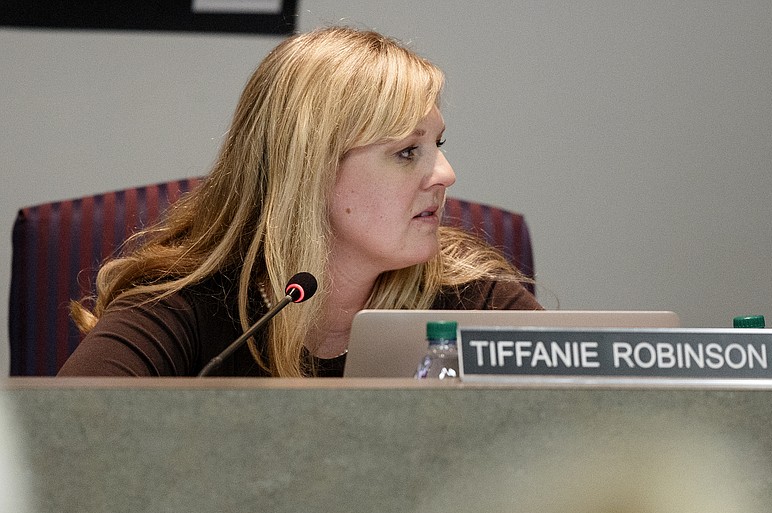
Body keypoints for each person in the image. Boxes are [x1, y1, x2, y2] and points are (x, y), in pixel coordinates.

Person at [58, 26, 542, 378]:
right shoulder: (185, 308)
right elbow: (57, 450)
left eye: (438, 145)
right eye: (407, 151)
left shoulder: (473, 306)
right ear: (310, 170)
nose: (445, 174)